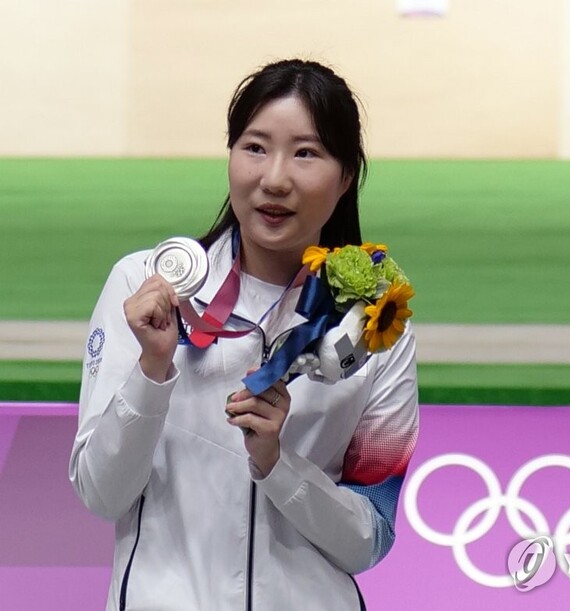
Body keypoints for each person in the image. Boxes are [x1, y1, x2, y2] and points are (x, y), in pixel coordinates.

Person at [69, 58, 419, 611]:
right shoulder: (145, 286)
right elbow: (100, 491)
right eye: (254, 147)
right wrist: (151, 373)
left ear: (346, 175)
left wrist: (278, 466)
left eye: (306, 153)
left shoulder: (374, 324)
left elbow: (371, 538)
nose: (274, 178)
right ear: (230, 155)